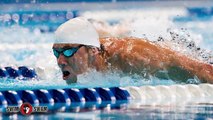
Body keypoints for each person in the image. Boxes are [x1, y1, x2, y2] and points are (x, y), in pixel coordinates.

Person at [52, 17, 213, 84]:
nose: (60, 61)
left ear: (92, 51)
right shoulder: (81, 57)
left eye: (67, 52)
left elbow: (200, 69)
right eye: (56, 52)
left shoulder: (134, 57)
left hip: (176, 49)